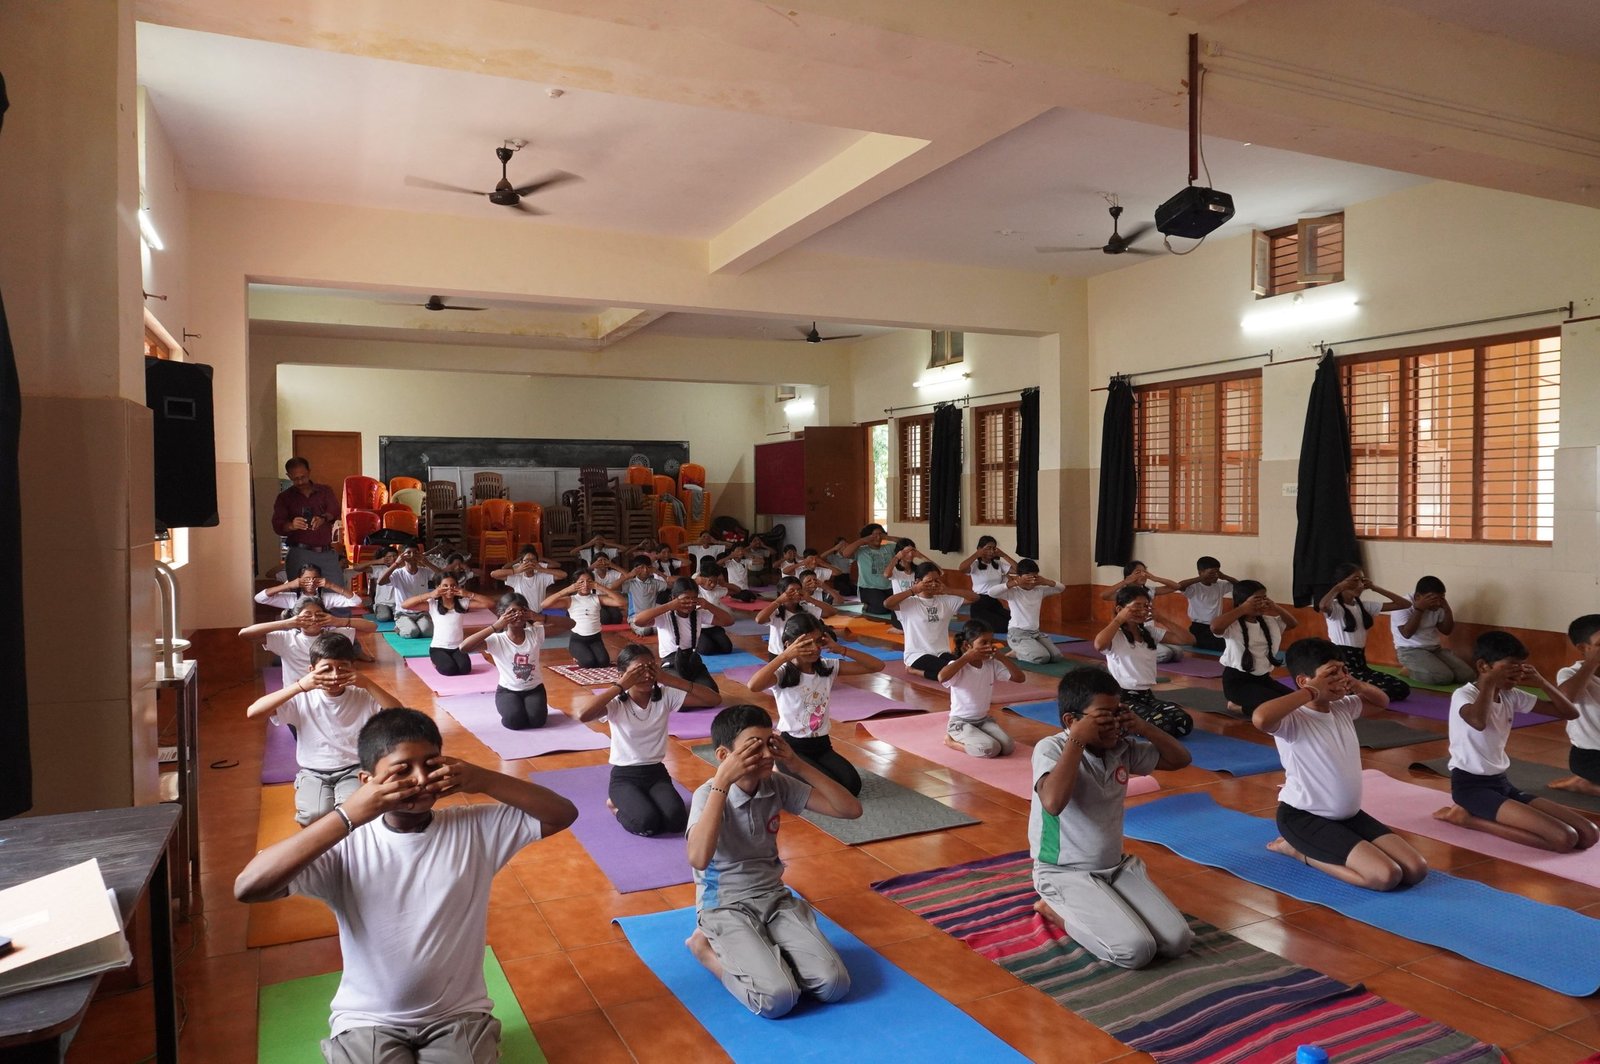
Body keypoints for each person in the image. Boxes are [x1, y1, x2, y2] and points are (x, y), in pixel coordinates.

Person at [234, 708, 579, 1062]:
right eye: (402, 771)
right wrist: (347, 815)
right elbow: (248, 887)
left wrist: (484, 780)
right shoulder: (345, 846)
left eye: (431, 765)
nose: (420, 779)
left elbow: (562, 813)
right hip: (367, 1019)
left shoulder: (475, 828)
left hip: (457, 1014)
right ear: (367, 782)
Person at [685, 704, 861, 1018]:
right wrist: (721, 783)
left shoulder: (776, 785)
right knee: (778, 999)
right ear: (725, 756)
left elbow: (850, 810)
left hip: (774, 899)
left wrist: (796, 763)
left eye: (770, 743)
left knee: (834, 984)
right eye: (754, 747)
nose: (767, 754)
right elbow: (698, 858)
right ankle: (704, 950)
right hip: (724, 904)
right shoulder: (707, 795)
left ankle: (772, 950)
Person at [1030, 668, 1193, 969]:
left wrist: (1143, 727)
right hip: (1064, 872)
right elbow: (1052, 802)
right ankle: (1054, 909)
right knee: (1135, 951)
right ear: (1072, 721)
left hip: (1115, 867)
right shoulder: (1050, 748)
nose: (1116, 724)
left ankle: (1109, 901)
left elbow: (1180, 759)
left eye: (1119, 713)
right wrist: (1076, 742)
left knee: (1178, 941)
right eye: (1105, 716)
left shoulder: (1122, 749)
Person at [1254, 638, 1428, 890]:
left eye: (1343, 670)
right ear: (1304, 681)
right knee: (1385, 876)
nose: (1340, 678)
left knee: (1416, 869)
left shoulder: (1343, 708)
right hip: (1304, 818)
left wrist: (1356, 683)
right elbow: (1261, 718)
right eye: (1331, 673)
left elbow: (1381, 702)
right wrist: (1311, 691)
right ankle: (1299, 852)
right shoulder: (1294, 720)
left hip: (1348, 815)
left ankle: (1318, 848)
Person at [1434, 631, 1598, 853]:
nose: (1518, 673)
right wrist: (1490, 682)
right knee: (1563, 839)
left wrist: (1541, 682)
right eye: (1510, 667)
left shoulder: (1512, 695)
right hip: (1470, 788)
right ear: (1484, 666)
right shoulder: (1465, 695)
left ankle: (1475, 814)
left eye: (1520, 667)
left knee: (1589, 833)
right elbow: (1478, 721)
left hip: (1502, 784)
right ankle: (1467, 819)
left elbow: (1569, 712)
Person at [244, 632, 400, 826]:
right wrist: (300, 685)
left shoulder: (362, 695)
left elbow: (400, 715)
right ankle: (306, 787)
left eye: (343, 668)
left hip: (355, 768)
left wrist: (367, 683)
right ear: (311, 670)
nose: (334, 676)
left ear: (354, 669)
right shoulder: (302, 697)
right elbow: (253, 712)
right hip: (314, 771)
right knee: (314, 815)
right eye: (326, 669)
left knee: (354, 813)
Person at [574, 645, 720, 836]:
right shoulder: (616, 702)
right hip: (625, 777)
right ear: (624, 674)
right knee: (647, 823)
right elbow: (582, 714)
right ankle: (615, 806)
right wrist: (620, 685)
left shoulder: (665, 695)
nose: (646, 676)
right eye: (637, 672)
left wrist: (667, 679)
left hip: (656, 773)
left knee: (676, 821)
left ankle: (644, 801)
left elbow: (713, 699)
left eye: (650, 669)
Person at [746, 613, 883, 794]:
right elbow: (753, 686)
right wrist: (784, 656)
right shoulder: (783, 673)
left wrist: (841, 649)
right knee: (830, 788)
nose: (814, 648)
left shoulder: (828, 667)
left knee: (852, 785)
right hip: (790, 748)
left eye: (818, 642)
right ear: (790, 645)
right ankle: (781, 768)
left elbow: (877, 666)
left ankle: (793, 774)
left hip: (822, 745)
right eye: (806, 644)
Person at [1094, 585, 1194, 736]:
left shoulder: (1149, 632)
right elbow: (1099, 644)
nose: (1142, 610)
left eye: (1145, 606)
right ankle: (1118, 719)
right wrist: (1119, 618)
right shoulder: (1116, 635)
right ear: (1121, 608)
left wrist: (1160, 618)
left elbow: (1188, 640)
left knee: (1184, 722)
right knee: (1164, 726)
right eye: (1136, 606)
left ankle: (1130, 721)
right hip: (1122, 698)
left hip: (1146, 696)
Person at [1317, 562, 1411, 702]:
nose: (1360, 584)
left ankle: (1349, 690)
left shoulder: (1364, 606)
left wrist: (1374, 588)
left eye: (1362, 580)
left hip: (1360, 665)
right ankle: (1342, 688)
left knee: (1401, 688)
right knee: (1387, 690)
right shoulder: (1335, 608)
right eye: (1355, 580)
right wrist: (1338, 587)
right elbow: (1323, 606)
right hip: (1344, 666)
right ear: (1342, 583)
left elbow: (1405, 604)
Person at [458, 594, 548, 730]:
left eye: (521, 611)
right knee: (514, 722)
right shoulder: (497, 640)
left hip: (534, 690)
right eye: (512, 612)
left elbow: (571, 624)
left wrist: (539, 617)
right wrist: (496, 625)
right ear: (502, 614)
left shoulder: (534, 634)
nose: (517, 615)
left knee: (538, 721)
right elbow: (464, 647)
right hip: (508, 691)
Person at [632, 578, 737, 691]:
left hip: (692, 660)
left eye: (693, 599)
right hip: (671, 662)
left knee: (711, 691)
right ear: (674, 599)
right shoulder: (665, 616)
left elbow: (729, 621)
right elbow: (638, 621)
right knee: (681, 696)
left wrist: (708, 605)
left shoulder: (699, 614)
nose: (690, 603)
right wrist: (669, 606)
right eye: (685, 599)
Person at [939, 620, 1025, 758]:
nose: (989, 646)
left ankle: (976, 736)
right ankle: (952, 742)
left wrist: (1002, 657)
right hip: (960, 722)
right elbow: (941, 677)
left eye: (991, 642)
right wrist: (966, 657)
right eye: (983, 642)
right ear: (968, 645)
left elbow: (1020, 678)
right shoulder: (959, 666)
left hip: (984, 720)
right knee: (990, 749)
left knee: (1008, 746)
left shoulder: (991, 664)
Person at [1211, 579, 1298, 714]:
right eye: (1257, 600)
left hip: (1263, 679)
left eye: (1264, 598)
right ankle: (1237, 707)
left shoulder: (1270, 622)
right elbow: (1215, 627)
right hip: (1237, 683)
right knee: (1278, 707)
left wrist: (1275, 607)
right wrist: (1243, 608)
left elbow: (1293, 624)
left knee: (1294, 701)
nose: (1262, 603)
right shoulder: (1232, 624)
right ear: (1243, 601)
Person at [240, 597, 376, 678]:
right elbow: (245, 634)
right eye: (307, 615)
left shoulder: (335, 636)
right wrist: (287, 623)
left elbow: (371, 627)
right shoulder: (286, 638)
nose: (313, 618)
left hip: (331, 691)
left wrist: (338, 621)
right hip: (299, 698)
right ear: (296, 617)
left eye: (319, 614)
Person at [885, 563, 977, 680]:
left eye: (937, 580)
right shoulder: (910, 603)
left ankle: (918, 671)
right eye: (928, 581)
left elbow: (974, 597)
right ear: (918, 581)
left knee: (965, 669)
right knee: (950, 672)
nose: (933, 584)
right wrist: (913, 590)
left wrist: (949, 590)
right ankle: (915, 671)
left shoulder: (945, 601)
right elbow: (887, 603)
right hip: (917, 655)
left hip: (941, 652)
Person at [400, 574, 496, 677]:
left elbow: (491, 603)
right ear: (438, 587)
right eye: (445, 586)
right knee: (449, 670)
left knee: (465, 669)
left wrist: (468, 594)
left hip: (459, 647)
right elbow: (405, 605)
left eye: (453, 585)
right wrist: (430, 594)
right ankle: (434, 661)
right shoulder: (433, 604)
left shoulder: (462, 603)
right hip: (438, 648)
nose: (449, 588)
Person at [271, 457, 342, 588]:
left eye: (303, 477)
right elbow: (277, 525)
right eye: (295, 479)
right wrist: (291, 525)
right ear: (288, 476)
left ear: (309, 472)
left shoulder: (325, 491)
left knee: (336, 592)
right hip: (299, 552)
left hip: (326, 552)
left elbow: (335, 510)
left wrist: (323, 518)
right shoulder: (284, 497)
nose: (300, 481)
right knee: (302, 596)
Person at [1391, 576, 1474, 686]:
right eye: (1434, 600)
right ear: (1417, 597)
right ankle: (1409, 671)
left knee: (1468, 675)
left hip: (1435, 649)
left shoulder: (1438, 605)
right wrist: (1420, 609)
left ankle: (1432, 669)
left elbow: (1446, 631)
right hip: (1410, 650)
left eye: (1442, 598)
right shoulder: (1402, 604)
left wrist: (1447, 609)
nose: (1438, 603)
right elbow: (1407, 633)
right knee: (1444, 677)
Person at [1553, 614, 1600, 797]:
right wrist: (1591, 663)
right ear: (1583, 648)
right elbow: (1566, 698)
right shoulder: (1569, 674)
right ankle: (1584, 785)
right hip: (1591, 756)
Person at [543, 568, 626, 669]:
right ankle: (576, 654)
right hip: (578, 640)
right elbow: (544, 604)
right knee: (588, 663)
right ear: (575, 584)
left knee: (603, 663)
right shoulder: (570, 600)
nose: (586, 584)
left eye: (589, 581)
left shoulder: (597, 598)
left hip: (595, 639)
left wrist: (600, 587)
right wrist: (567, 590)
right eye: (581, 582)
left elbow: (622, 602)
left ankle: (587, 653)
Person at [1100, 561, 1183, 661]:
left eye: (1145, 572)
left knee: (1178, 652)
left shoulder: (1149, 591)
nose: (1144, 575)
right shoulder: (1123, 593)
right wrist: (1125, 582)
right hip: (1132, 634)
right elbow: (1104, 595)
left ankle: (1145, 653)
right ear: (1129, 575)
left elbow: (1177, 587)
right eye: (1138, 572)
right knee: (1167, 653)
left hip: (1149, 632)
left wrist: (1155, 578)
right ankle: (1137, 656)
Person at [755, 576, 836, 656]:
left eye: (799, 590)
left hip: (801, 654)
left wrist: (810, 599)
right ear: (782, 593)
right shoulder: (776, 611)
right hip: (778, 654)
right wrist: (778, 601)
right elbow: (759, 619)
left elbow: (831, 612)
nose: (797, 593)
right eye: (792, 590)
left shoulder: (806, 609)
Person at [1176, 556, 1236, 652]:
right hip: (1198, 628)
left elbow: (1240, 586)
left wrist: (1224, 576)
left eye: (1217, 572)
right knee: (1224, 646)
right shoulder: (1194, 588)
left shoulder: (1220, 586)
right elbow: (1179, 586)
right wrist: (1200, 578)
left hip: (1216, 627)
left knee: (1234, 643)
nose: (1216, 575)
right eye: (1212, 573)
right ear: (1201, 573)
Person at [380, 545, 441, 639]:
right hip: (403, 613)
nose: (412, 555)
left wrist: (427, 562)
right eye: (408, 553)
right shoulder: (398, 573)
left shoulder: (425, 571)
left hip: (422, 612)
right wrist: (396, 563)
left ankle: (415, 625)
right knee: (412, 632)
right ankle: (399, 627)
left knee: (428, 632)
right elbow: (380, 582)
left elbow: (444, 577)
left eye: (416, 553)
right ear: (402, 556)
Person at [255, 564, 363, 614]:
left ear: (321, 580)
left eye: (315, 579)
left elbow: (356, 601)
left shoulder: (326, 598)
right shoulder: (291, 599)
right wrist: (288, 585)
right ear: (299, 580)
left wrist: (331, 585)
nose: (311, 582)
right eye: (306, 579)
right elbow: (259, 598)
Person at [838, 524, 896, 617]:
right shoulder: (861, 551)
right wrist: (862, 540)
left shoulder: (889, 548)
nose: (878, 537)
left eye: (880, 534)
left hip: (889, 587)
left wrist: (887, 537)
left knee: (897, 608)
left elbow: (906, 543)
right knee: (881, 609)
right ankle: (865, 606)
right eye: (874, 535)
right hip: (868, 588)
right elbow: (845, 553)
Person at [960, 536, 1014, 633]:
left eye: (993, 548)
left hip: (994, 601)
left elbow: (1019, 570)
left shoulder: (998, 564)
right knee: (1003, 626)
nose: (991, 551)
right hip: (980, 603)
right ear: (980, 549)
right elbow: (962, 568)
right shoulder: (975, 565)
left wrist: (1004, 555)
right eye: (988, 548)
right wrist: (977, 554)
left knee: (1015, 621)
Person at [489, 546, 565, 613]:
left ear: (537, 562)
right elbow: (493, 574)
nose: (530, 563)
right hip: (521, 614)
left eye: (533, 560)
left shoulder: (542, 577)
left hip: (537, 614)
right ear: (521, 563)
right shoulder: (516, 577)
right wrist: (516, 571)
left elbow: (563, 575)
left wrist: (542, 569)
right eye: (526, 560)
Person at [692, 555, 736, 656]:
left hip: (714, 626)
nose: (712, 584)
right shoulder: (694, 588)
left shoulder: (716, 590)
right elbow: (679, 585)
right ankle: (699, 642)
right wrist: (696, 581)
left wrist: (723, 584)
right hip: (699, 627)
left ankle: (711, 642)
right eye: (710, 581)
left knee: (727, 648)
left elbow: (737, 590)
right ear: (702, 578)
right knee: (706, 649)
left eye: (715, 582)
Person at [619, 555, 669, 636]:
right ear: (635, 569)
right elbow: (611, 587)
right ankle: (632, 624)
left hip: (652, 616)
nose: (645, 570)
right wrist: (629, 575)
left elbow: (671, 585)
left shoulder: (655, 582)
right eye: (641, 567)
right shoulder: (631, 583)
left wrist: (658, 572)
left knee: (662, 628)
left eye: (648, 567)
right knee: (646, 631)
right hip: (636, 617)